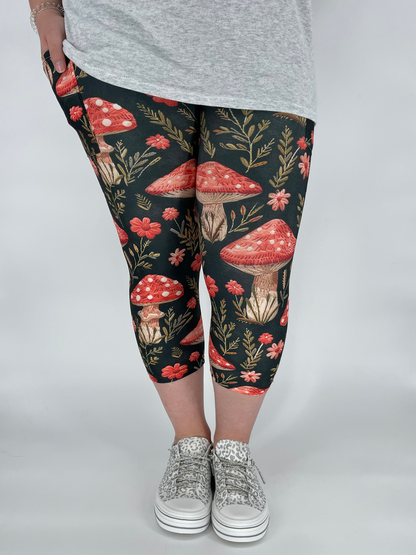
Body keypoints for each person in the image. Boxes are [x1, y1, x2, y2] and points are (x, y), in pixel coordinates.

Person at [30, 0, 317, 543]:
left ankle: (233, 451)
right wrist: (44, 10)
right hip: (120, 51)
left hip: (263, 54)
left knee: (253, 277)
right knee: (157, 267)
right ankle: (190, 443)